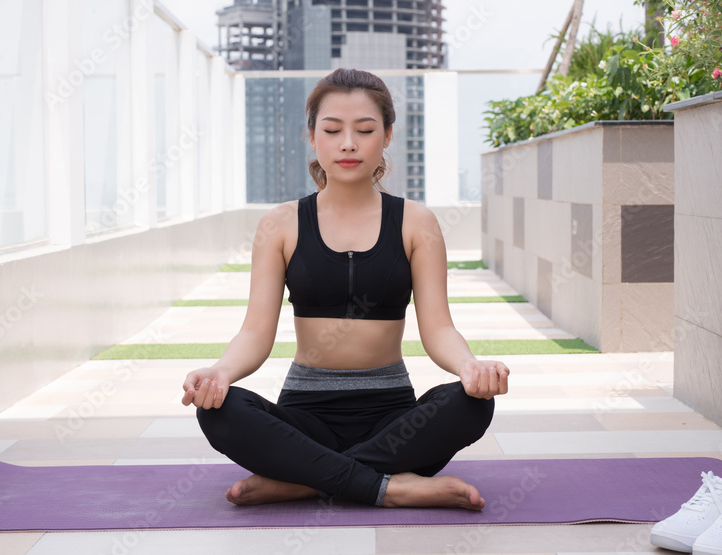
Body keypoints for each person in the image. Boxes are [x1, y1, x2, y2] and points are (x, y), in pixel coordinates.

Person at [181, 68, 510, 510]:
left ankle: (302, 480)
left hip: (393, 421)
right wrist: (221, 373)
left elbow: (438, 329)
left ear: (388, 135)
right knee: (219, 411)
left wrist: (470, 367)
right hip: (305, 416)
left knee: (471, 403)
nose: (348, 143)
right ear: (313, 137)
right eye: (332, 130)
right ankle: (391, 488)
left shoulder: (417, 223)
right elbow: (255, 333)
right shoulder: (280, 224)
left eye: (366, 130)